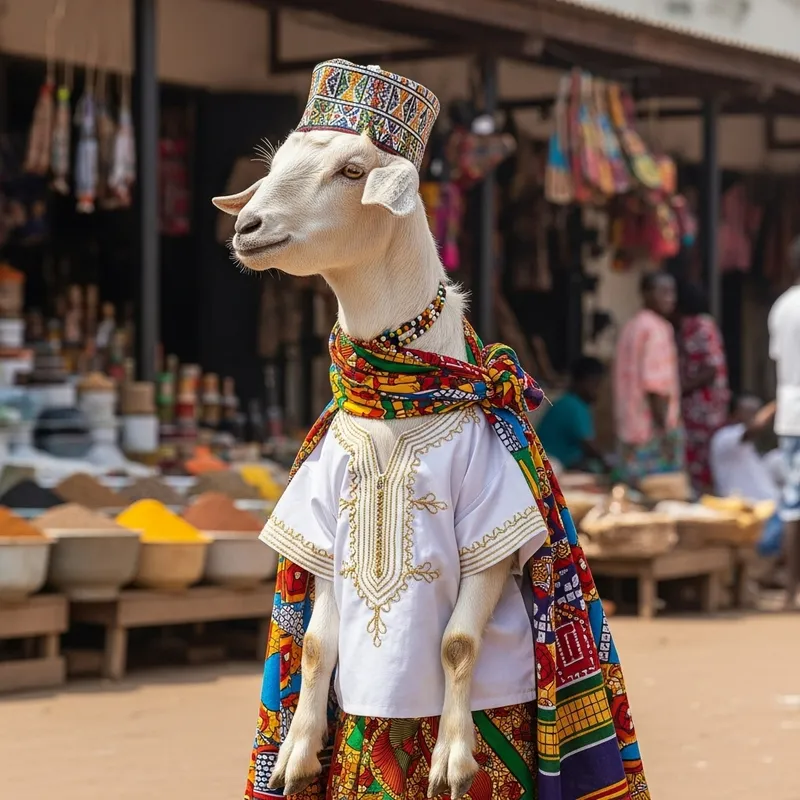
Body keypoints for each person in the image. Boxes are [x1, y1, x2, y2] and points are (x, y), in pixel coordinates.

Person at [614, 271, 683, 484]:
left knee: (631, 493)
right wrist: (665, 433)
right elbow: (655, 386)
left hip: (629, 428)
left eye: (672, 292)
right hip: (651, 430)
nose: (670, 298)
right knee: (658, 492)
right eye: (663, 292)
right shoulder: (657, 328)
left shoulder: (631, 326)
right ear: (645, 293)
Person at [709, 395, 782, 558]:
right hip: (751, 516)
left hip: (770, 513)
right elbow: (756, 427)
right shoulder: (724, 438)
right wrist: (779, 402)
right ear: (734, 414)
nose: (754, 415)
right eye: (750, 411)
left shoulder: (753, 450)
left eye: (757, 411)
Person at [768, 235, 800, 606]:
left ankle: (791, 591)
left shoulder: (781, 307)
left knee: (793, 504)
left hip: (791, 413)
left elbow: (777, 362)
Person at [676, 282, 730, 495]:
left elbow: (711, 369)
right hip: (702, 408)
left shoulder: (698, 326)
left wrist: (680, 389)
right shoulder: (696, 325)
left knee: (702, 459)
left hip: (703, 408)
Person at [538, 356, 609, 472]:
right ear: (582, 381)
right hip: (549, 465)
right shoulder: (573, 406)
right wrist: (608, 465)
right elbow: (589, 446)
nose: (597, 390)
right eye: (595, 384)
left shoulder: (568, 402)